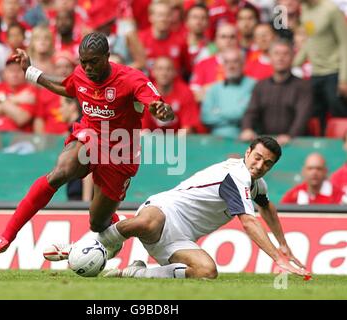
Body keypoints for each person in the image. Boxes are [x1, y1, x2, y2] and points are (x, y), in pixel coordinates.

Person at [0, 32, 174, 262]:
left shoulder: (132, 79)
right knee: (60, 173)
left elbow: (157, 105)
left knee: (97, 222)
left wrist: (162, 111)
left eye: (93, 61)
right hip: (89, 135)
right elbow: (66, 87)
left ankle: (111, 230)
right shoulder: (81, 73)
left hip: (120, 152)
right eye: (83, 61)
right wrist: (30, 71)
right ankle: (6, 236)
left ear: (107, 57)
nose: (88, 67)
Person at [47, 136, 310, 279]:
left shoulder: (256, 184)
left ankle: (136, 273)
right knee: (144, 224)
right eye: (257, 158)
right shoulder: (237, 175)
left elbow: (267, 208)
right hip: (166, 209)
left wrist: (282, 243)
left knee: (207, 272)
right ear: (247, 152)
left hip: (181, 240)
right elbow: (249, 222)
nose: (260, 165)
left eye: (267, 163)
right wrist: (277, 258)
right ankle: (79, 247)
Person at [240, 39, 313, 146]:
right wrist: (247, 129)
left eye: (285, 54)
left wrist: (290, 136)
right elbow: (251, 112)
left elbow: (302, 117)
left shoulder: (303, 86)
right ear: (270, 57)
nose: (280, 58)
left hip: (294, 143)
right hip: (266, 144)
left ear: (293, 57)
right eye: (276, 53)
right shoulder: (260, 86)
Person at [293, 0, 347, 132]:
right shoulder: (304, 8)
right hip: (315, 73)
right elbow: (310, 40)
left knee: (339, 115)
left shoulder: (331, 9)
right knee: (314, 117)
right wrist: (294, 63)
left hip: (334, 71)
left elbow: (344, 43)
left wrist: (344, 78)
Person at [202, 48, 256, 138]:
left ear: (243, 64)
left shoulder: (254, 85)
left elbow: (244, 114)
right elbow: (206, 117)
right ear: (222, 65)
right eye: (227, 62)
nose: (231, 66)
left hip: (244, 139)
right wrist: (234, 117)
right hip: (217, 140)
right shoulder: (214, 88)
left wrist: (218, 112)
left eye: (235, 62)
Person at [0, 57, 38, 132]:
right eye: (11, 70)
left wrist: (0, 100)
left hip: (18, 135)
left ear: (25, 73)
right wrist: (17, 99)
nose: (14, 74)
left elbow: (21, 118)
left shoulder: (30, 91)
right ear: (4, 73)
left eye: (19, 70)